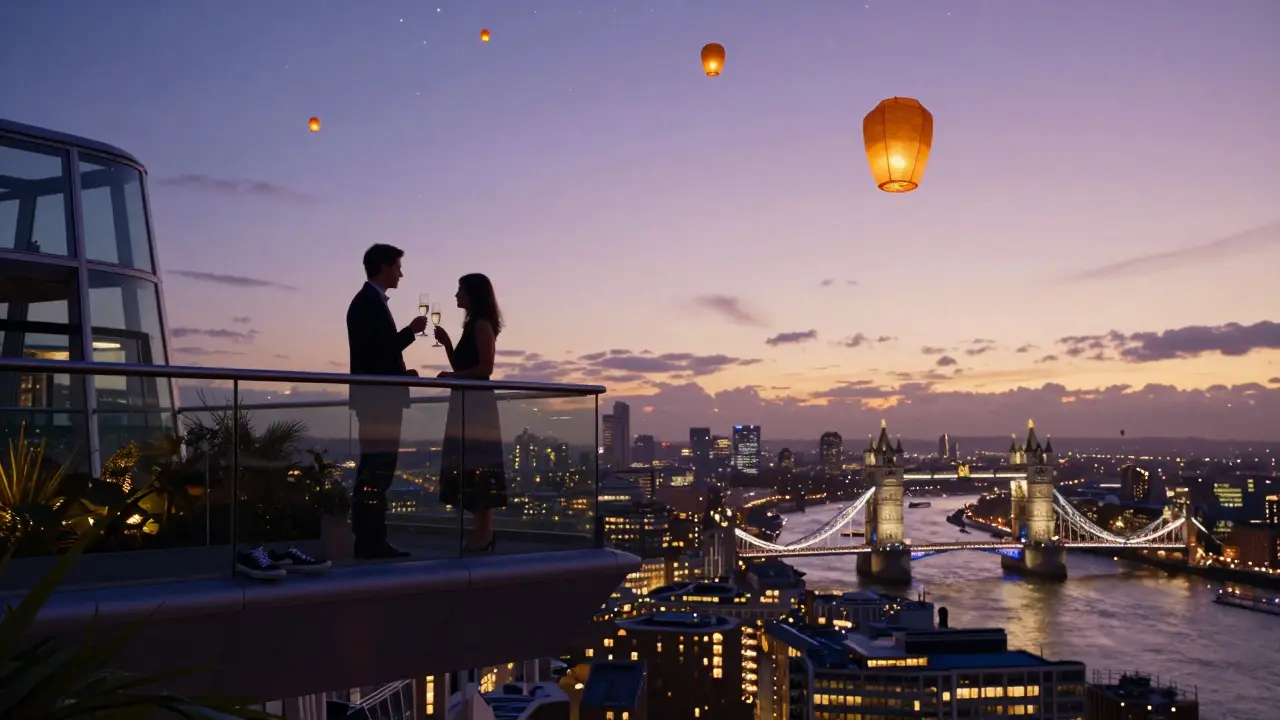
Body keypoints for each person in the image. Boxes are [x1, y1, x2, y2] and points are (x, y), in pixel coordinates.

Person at [346, 243, 428, 559]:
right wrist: (410, 331)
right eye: (398, 267)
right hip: (378, 402)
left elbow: (374, 355)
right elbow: (379, 352)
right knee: (377, 470)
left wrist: (401, 373)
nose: (401, 274)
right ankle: (371, 541)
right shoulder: (368, 303)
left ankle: (370, 539)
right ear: (384, 267)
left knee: (375, 469)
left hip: (375, 399)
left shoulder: (367, 302)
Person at [434, 273, 507, 552]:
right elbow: (465, 366)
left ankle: (484, 535)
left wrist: (452, 377)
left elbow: (485, 369)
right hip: (467, 402)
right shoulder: (472, 325)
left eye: (460, 290)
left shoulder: (482, 325)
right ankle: (482, 533)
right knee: (471, 464)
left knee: (479, 465)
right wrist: (447, 345)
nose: (456, 295)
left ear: (473, 294)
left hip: (476, 405)